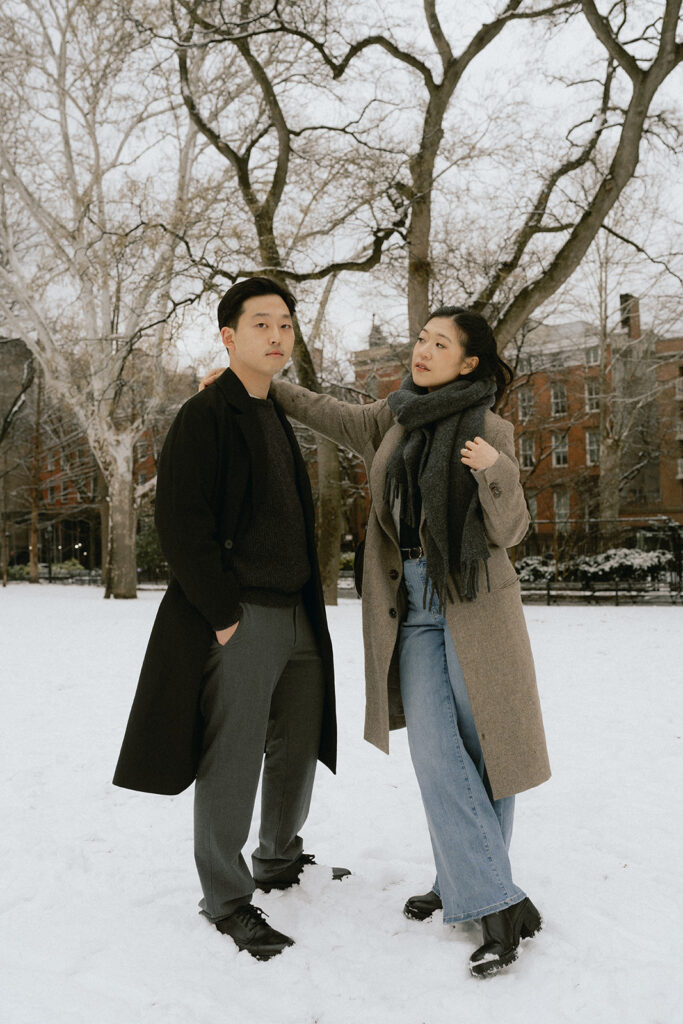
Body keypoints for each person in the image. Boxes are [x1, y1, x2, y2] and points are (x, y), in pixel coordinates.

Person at [202, 304, 550, 977]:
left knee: (485, 754)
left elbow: (510, 532)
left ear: (468, 362)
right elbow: (320, 408)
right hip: (410, 606)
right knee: (433, 752)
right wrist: (255, 375)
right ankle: (496, 897)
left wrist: (493, 471)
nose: (422, 350)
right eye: (421, 338)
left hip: (475, 606)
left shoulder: (490, 428)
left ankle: (469, 887)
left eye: (439, 343)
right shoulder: (391, 419)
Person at [113, 276, 348, 962]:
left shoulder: (274, 410)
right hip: (242, 614)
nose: (277, 337)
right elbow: (179, 523)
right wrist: (221, 615)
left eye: (285, 326)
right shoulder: (205, 414)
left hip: (298, 611)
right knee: (234, 758)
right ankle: (226, 897)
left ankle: (279, 857)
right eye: (261, 325)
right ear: (228, 335)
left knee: (298, 749)